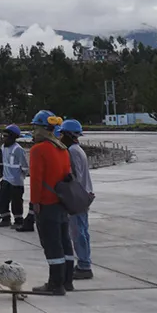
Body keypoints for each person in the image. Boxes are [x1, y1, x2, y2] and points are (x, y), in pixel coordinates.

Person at [28, 110, 75, 295]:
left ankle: (55, 284)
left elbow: (36, 179)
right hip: (62, 203)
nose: (33, 131)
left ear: (42, 128)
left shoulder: (38, 150)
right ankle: (67, 281)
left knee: (51, 244)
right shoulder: (62, 149)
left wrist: (35, 202)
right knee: (64, 242)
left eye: (35, 127)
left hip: (47, 203)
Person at [60, 119, 94, 280]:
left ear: (68, 134)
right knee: (82, 231)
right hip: (84, 195)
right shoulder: (78, 149)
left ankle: (84, 266)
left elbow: (77, 177)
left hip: (78, 197)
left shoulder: (72, 151)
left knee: (78, 232)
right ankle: (84, 262)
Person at [0, 125, 28, 228]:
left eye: (6, 136)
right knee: (3, 200)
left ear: (12, 137)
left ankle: (18, 221)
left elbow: (25, 167)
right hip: (6, 179)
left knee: (16, 202)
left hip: (16, 182)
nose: (3, 138)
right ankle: (5, 219)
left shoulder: (18, 149)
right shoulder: (3, 147)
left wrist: (21, 177)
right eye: (3, 135)